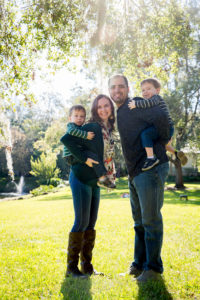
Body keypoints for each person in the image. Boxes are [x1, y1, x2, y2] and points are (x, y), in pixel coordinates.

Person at [108, 74, 170, 282]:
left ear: (127, 88)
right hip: (135, 172)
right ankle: (139, 264)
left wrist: (162, 142)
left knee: (150, 220)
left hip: (150, 168)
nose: (117, 91)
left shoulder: (137, 104)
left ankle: (153, 269)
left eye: (121, 87)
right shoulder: (121, 112)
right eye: (113, 87)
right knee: (139, 222)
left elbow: (162, 119)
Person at [60, 94, 116, 278]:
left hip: (94, 181)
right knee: (81, 222)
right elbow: (67, 140)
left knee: (91, 223)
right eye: (99, 107)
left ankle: (87, 267)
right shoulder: (92, 127)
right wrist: (85, 159)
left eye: (107, 106)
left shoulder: (108, 130)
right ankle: (71, 268)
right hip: (81, 177)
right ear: (94, 109)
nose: (103, 109)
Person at [128, 78, 188, 171]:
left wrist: (136, 104)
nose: (145, 92)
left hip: (165, 127)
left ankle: (151, 158)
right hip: (166, 127)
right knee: (162, 144)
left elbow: (148, 103)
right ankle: (176, 153)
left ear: (157, 90)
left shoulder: (156, 98)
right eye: (143, 90)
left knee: (145, 134)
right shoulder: (153, 102)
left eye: (148, 89)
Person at [63, 104, 115, 189]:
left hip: (77, 154)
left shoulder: (81, 127)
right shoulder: (71, 126)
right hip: (69, 155)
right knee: (92, 156)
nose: (79, 118)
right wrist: (85, 135)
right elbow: (71, 132)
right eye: (76, 116)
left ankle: (102, 177)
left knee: (93, 157)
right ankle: (102, 178)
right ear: (70, 118)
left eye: (82, 116)